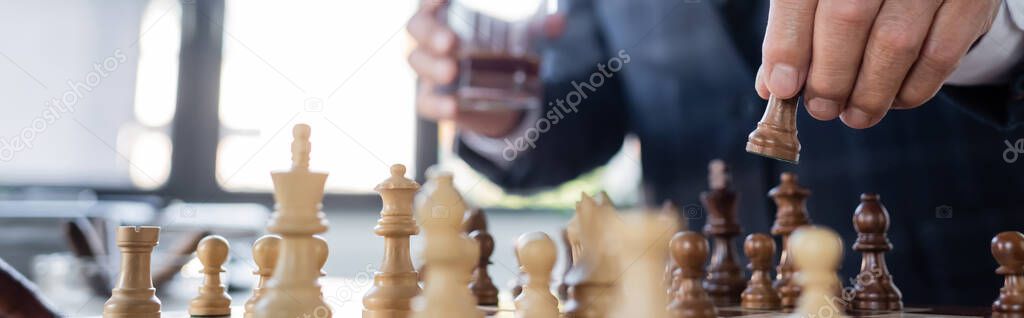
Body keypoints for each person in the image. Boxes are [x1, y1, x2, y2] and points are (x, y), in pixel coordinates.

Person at [408, 0, 1024, 306]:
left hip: (956, 280)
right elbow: (587, 102)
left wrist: (999, 24)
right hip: (702, 289)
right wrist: (499, 109)